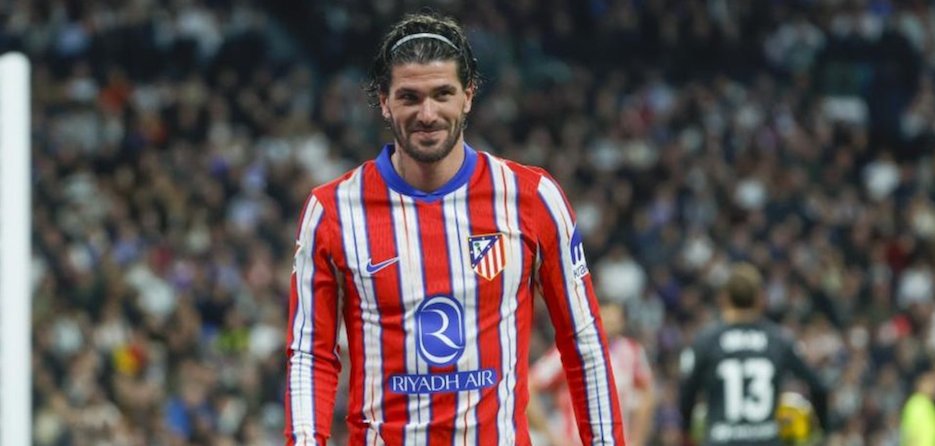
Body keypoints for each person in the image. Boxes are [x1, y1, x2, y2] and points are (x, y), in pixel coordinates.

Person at [283, 12, 625, 446]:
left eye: (442, 94)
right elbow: (310, 355)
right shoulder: (332, 211)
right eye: (409, 97)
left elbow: (583, 342)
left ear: (468, 95)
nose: (427, 114)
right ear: (384, 102)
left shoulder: (532, 198)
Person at [678, 262, 830, 446]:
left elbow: (686, 396)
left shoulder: (707, 341)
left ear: (724, 298)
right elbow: (819, 387)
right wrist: (822, 432)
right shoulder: (778, 339)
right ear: (760, 298)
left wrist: (686, 436)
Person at [529, 302, 655, 446]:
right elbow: (529, 385)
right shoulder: (572, 349)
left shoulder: (632, 351)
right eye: (606, 317)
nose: (611, 323)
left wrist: (638, 440)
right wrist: (551, 436)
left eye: (615, 319)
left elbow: (647, 394)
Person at [901, 368, 935, 445]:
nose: (933, 386)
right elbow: (911, 434)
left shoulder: (928, 404)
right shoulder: (916, 404)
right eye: (929, 382)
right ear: (919, 384)